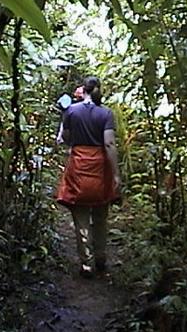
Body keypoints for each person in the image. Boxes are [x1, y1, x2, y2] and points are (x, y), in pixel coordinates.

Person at [56, 76, 121, 278]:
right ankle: (101, 257)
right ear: (98, 91)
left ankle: (86, 263)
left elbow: (65, 139)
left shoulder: (71, 111)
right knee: (101, 215)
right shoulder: (106, 113)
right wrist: (116, 173)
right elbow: (109, 144)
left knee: (81, 217)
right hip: (100, 167)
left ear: (83, 90)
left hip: (78, 165)